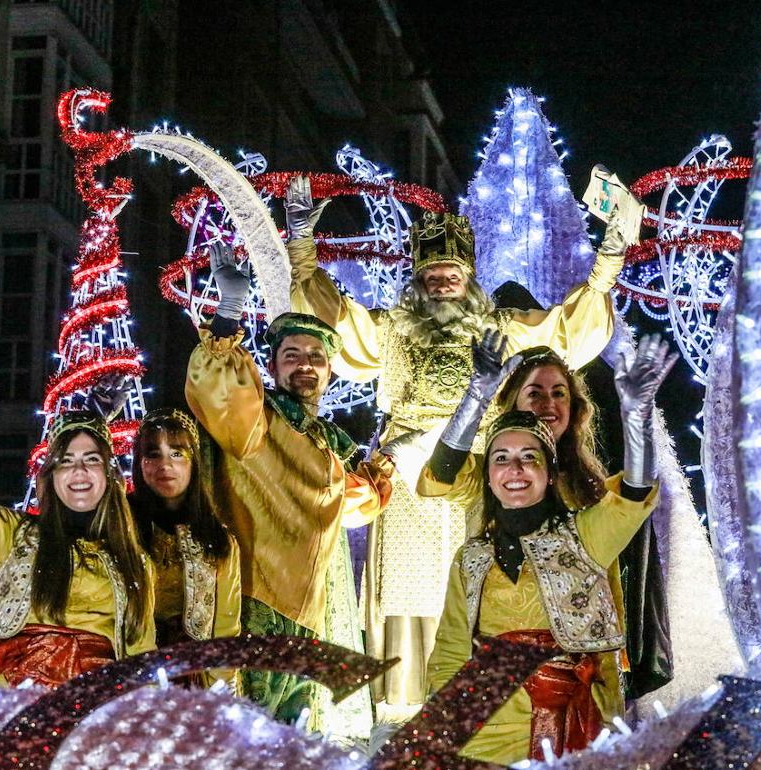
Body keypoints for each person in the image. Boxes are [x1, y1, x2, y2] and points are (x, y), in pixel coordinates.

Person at [285, 177, 631, 707]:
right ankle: (407, 705)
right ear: (418, 281)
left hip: (479, 474)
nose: (443, 284)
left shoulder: (501, 328)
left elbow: (565, 331)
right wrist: (302, 251)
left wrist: (607, 263)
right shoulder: (391, 328)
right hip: (406, 480)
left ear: (468, 278)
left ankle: (484, 700)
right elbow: (332, 323)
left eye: (452, 275)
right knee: (407, 594)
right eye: (432, 276)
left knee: (482, 585)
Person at [424, 336, 675, 764]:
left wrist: (638, 416)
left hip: (575, 697)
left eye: (530, 458)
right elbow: (450, 648)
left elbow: (634, 495)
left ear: (549, 472)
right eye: (501, 460)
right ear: (488, 475)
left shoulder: (585, 519)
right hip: (489, 713)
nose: (515, 470)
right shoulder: (472, 558)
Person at [185, 242, 394, 725]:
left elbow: (354, 505)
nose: (305, 364)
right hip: (252, 605)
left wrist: (390, 460)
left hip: (308, 620)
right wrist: (228, 312)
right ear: (274, 365)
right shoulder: (258, 422)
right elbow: (219, 393)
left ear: (329, 370)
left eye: (316, 356)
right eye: (292, 354)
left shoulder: (328, 445)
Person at [0, 362, 154, 687]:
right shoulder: (19, 537)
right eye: (66, 461)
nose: (79, 471)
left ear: (108, 475)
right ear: (51, 477)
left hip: (97, 703)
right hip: (14, 698)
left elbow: (143, 659)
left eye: (91, 460)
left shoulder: (134, 561)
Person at [129, 408, 241, 655]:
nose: (165, 465)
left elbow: (226, 631)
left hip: (194, 668)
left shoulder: (218, 540)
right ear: (139, 463)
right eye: (153, 454)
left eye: (177, 453)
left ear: (194, 462)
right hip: (129, 668)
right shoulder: (120, 529)